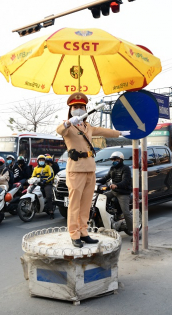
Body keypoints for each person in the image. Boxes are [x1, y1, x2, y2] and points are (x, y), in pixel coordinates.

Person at [56, 92, 130, 248]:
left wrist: (120, 133)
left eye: (81, 107)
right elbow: (59, 130)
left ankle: (83, 232)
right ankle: (74, 234)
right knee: (75, 205)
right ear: (70, 110)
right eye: (75, 107)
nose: (79, 109)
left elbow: (103, 130)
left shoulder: (87, 126)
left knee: (86, 204)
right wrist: (68, 122)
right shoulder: (68, 126)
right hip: (76, 169)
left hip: (90, 168)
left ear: (85, 109)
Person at [98, 151, 134, 239]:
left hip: (123, 193)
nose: (114, 161)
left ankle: (134, 231)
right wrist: (94, 181)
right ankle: (110, 216)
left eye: (116, 159)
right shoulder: (112, 168)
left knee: (126, 212)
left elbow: (125, 181)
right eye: (113, 159)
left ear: (121, 159)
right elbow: (106, 178)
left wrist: (116, 185)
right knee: (101, 198)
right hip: (114, 191)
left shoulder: (126, 168)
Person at [31, 155, 55, 219]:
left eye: (43, 160)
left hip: (46, 184)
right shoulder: (35, 168)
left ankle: (51, 211)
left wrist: (45, 181)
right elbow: (33, 176)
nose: (41, 161)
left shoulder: (48, 167)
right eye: (40, 160)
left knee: (49, 196)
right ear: (38, 161)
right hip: (38, 184)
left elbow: (51, 175)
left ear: (45, 161)